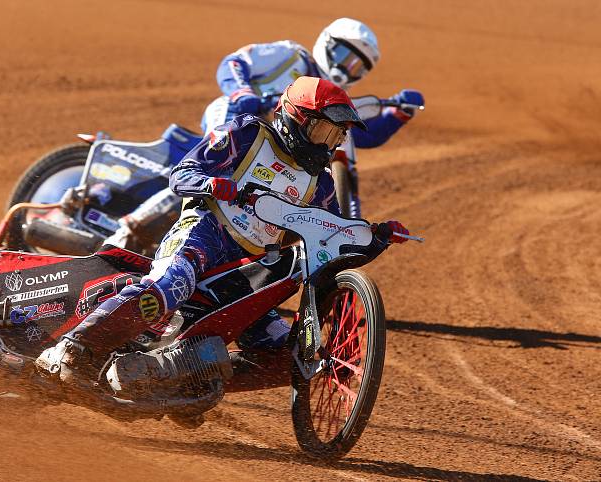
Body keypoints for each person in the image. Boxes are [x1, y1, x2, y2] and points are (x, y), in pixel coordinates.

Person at [37, 77, 409, 396]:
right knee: (167, 287)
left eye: (337, 134)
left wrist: (375, 239)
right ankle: (70, 350)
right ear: (297, 118)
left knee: (291, 355)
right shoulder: (246, 134)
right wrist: (217, 185)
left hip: (247, 272)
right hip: (202, 234)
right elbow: (181, 175)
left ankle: (183, 379)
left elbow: (331, 241)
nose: (329, 143)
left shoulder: (322, 183)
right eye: (324, 130)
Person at [104, 17, 423, 249]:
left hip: (276, 146)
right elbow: (234, 63)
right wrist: (243, 93)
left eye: (359, 67)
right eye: (345, 57)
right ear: (327, 44)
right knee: (215, 170)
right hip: (237, 118)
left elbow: (359, 136)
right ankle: (130, 230)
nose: (348, 68)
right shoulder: (291, 56)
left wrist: (398, 116)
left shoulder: (328, 97)